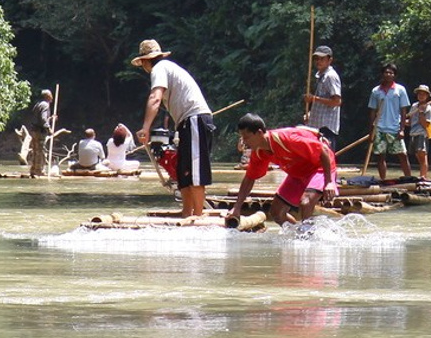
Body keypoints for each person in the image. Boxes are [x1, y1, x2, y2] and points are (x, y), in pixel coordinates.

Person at [134, 39, 214, 220]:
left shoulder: (159, 68)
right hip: (187, 122)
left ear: (146, 61)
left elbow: (155, 98)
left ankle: (198, 215)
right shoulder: (167, 68)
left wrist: (145, 128)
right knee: (183, 170)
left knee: (194, 171)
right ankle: (187, 212)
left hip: (195, 119)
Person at [227, 114, 339, 225]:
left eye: (247, 138)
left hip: (319, 168)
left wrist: (329, 182)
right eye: (242, 138)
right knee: (277, 212)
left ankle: (309, 234)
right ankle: (297, 233)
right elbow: (249, 178)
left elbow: (323, 151)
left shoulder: (287, 139)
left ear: (259, 133)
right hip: (297, 173)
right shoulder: (259, 152)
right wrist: (237, 208)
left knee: (305, 202)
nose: (244, 142)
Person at [367, 63, 414, 183]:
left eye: (391, 73)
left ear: (394, 75)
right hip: (379, 128)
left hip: (395, 128)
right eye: (386, 72)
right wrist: (371, 131)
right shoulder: (376, 91)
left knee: (403, 155)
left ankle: (409, 180)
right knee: (380, 156)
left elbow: (403, 111)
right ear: (382, 74)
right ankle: (383, 181)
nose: (388, 74)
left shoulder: (400, 90)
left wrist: (402, 129)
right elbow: (372, 111)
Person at [304, 45, 343, 151]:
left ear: (329, 60)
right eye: (316, 58)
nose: (318, 61)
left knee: (325, 156)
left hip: (326, 128)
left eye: (322, 59)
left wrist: (314, 99)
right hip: (317, 126)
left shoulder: (330, 76)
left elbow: (336, 101)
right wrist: (310, 114)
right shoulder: (321, 76)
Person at [405, 84, 431, 181]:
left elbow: (425, 124)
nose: (421, 96)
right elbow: (410, 122)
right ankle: (422, 176)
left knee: (422, 155)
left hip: (421, 134)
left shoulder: (428, 108)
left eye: (423, 94)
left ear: (427, 96)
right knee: (418, 156)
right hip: (413, 134)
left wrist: (421, 112)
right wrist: (401, 122)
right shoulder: (414, 106)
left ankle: (423, 177)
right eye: (419, 94)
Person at [25, 88, 56, 177]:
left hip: (34, 130)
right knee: (41, 150)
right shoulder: (45, 105)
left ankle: (33, 169)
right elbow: (43, 119)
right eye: (51, 95)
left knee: (35, 150)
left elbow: (39, 118)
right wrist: (49, 128)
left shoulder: (38, 104)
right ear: (47, 96)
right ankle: (39, 170)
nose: (52, 97)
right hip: (40, 131)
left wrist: (51, 118)